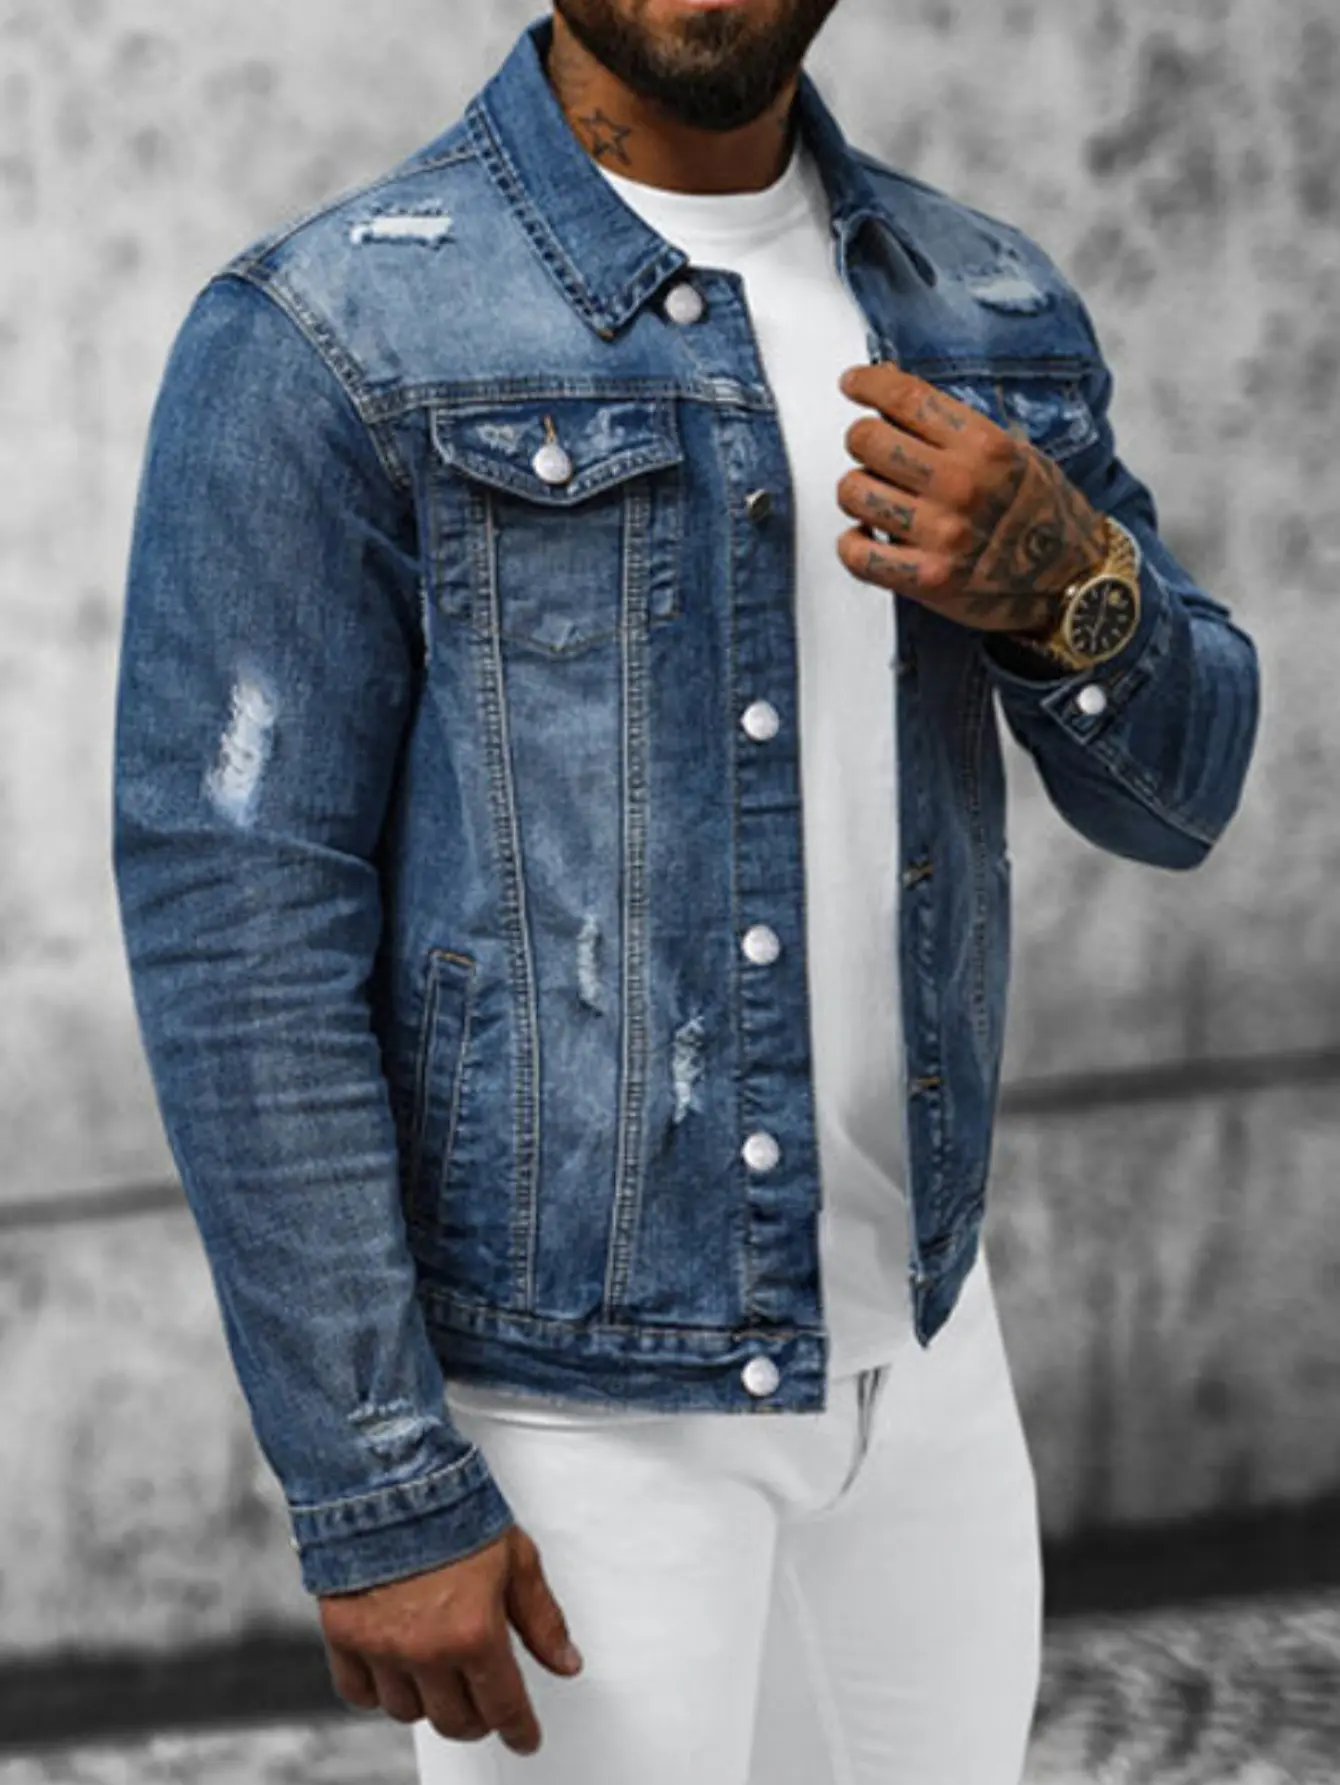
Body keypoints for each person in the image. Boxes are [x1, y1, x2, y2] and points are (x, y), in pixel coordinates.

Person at [110, 3, 1261, 1781]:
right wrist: (375, 1477)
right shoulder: (332, 332)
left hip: (924, 1369)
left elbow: (1183, 794)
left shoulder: (983, 306)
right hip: (574, 1418)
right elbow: (238, 923)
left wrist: (1062, 579)